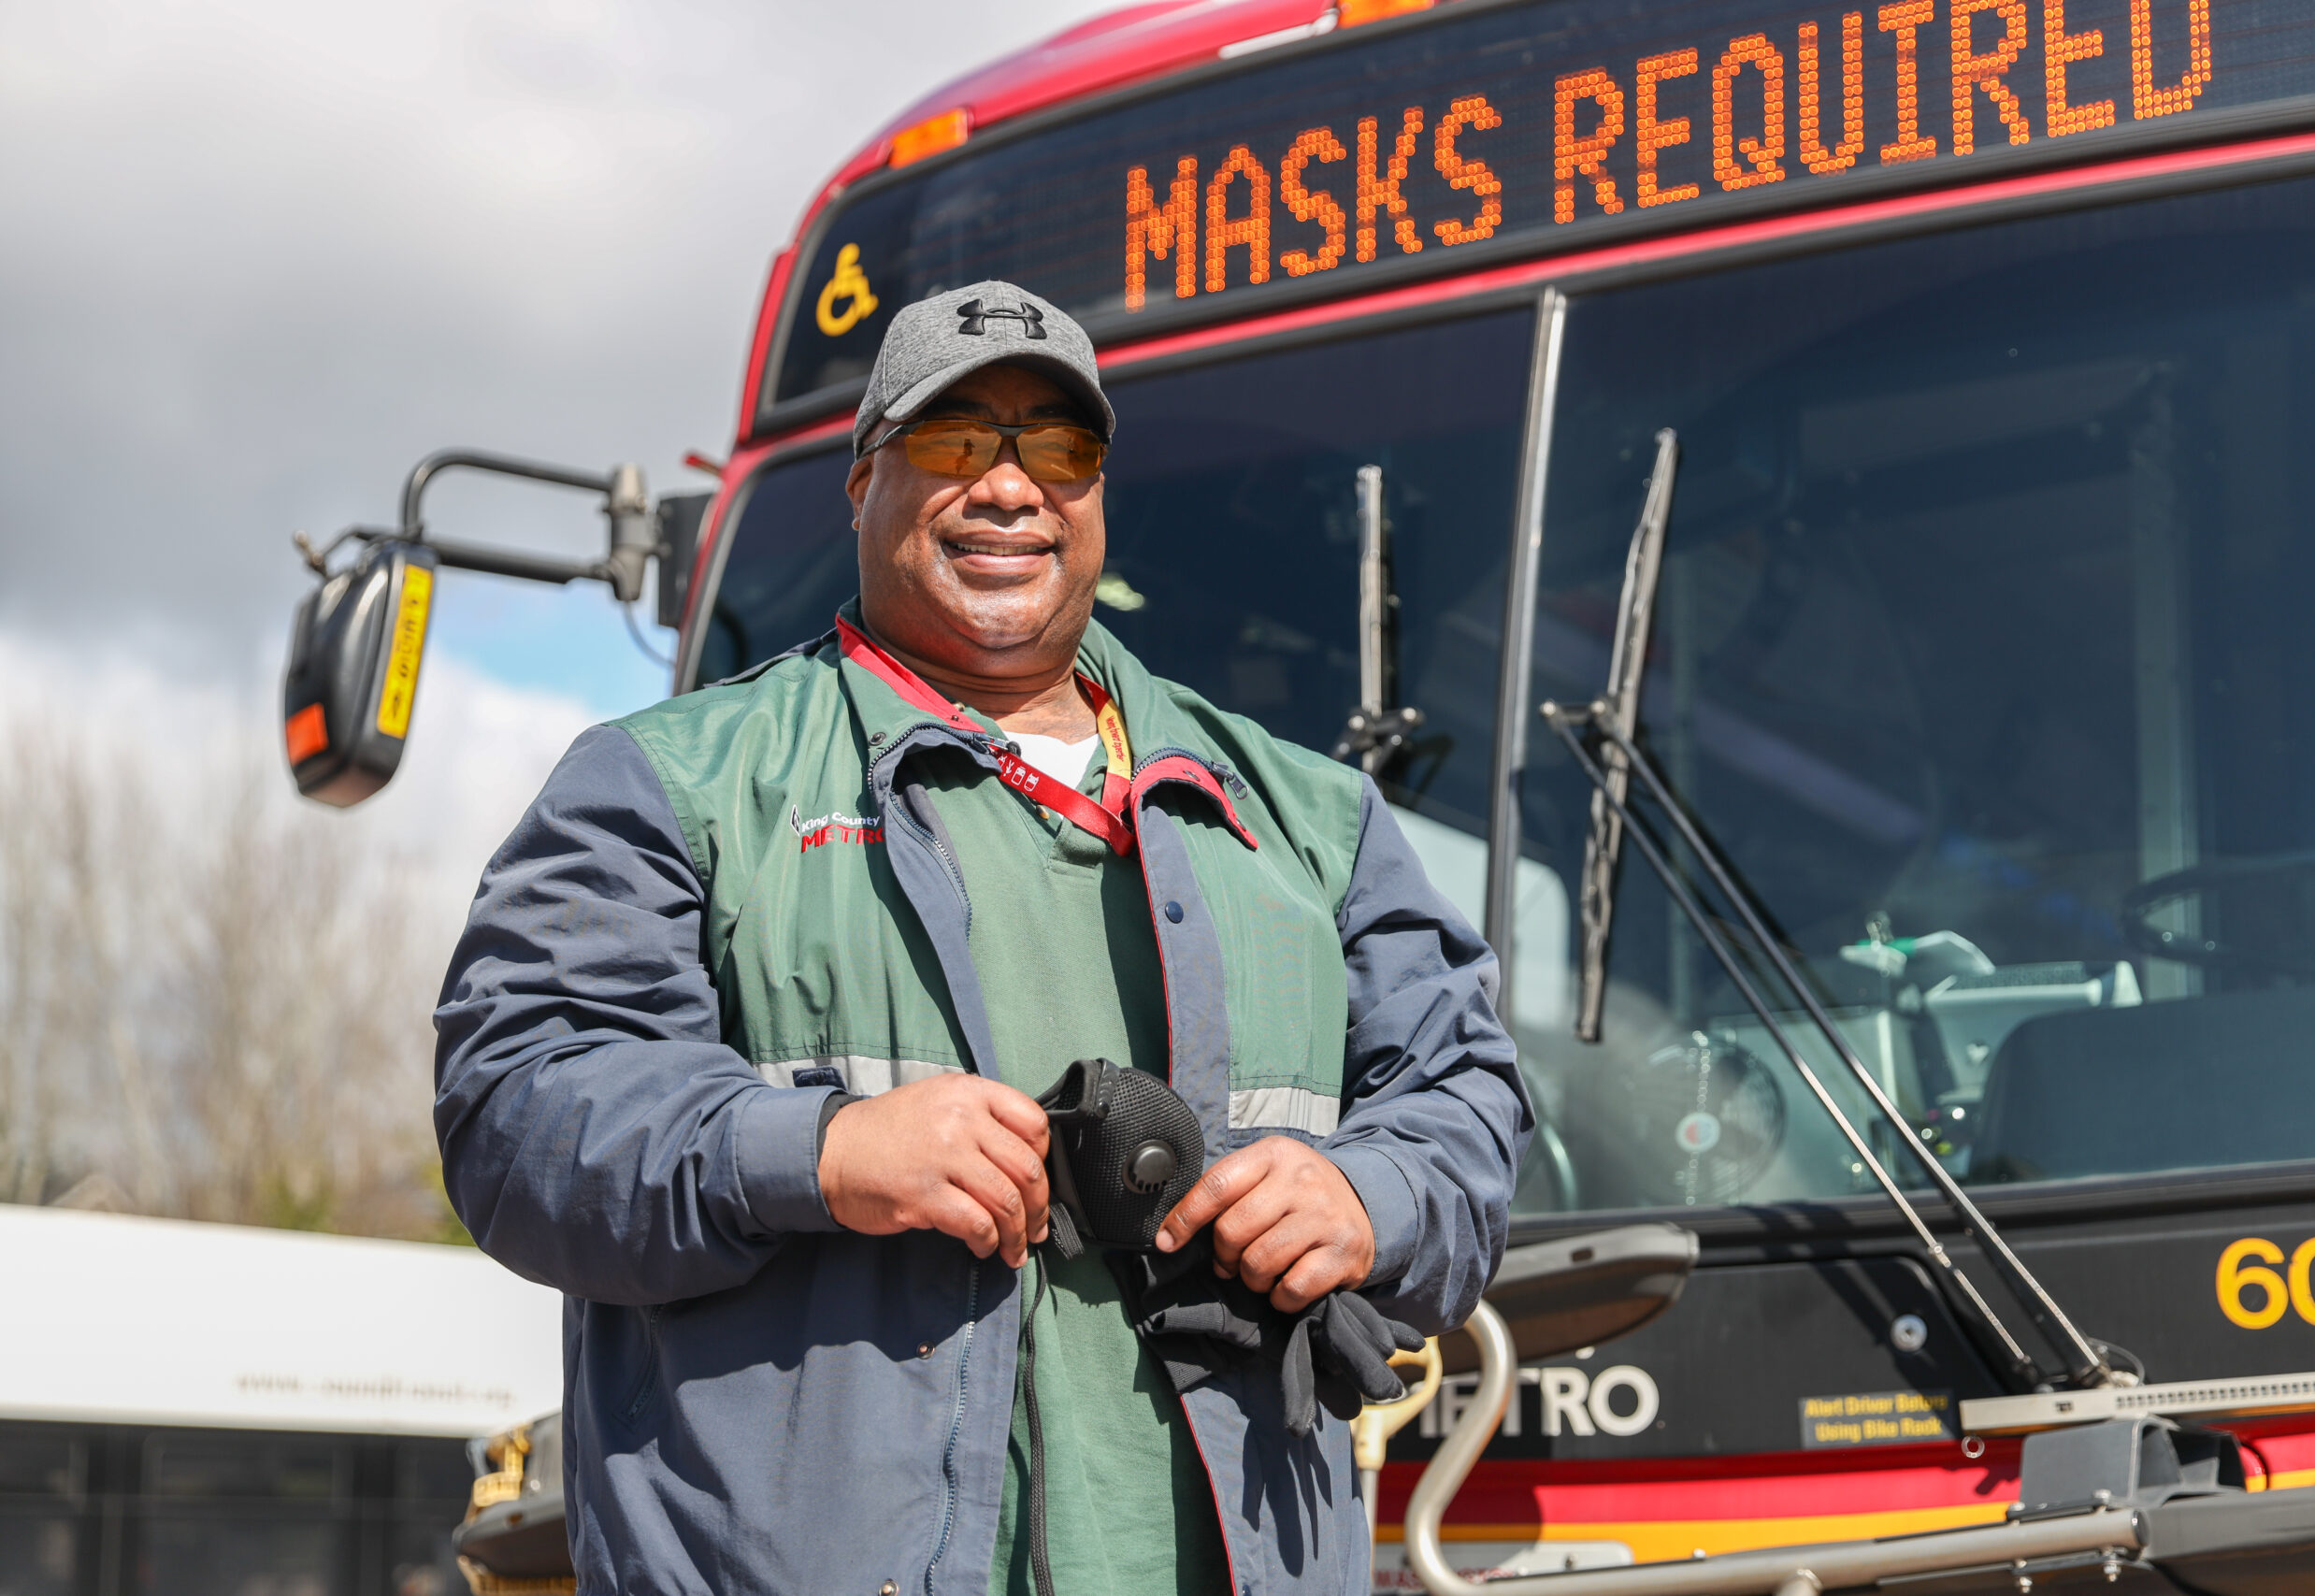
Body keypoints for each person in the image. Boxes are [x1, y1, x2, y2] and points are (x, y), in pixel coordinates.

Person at [434, 280, 1529, 1596]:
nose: (1010, 489)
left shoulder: (1310, 818)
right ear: (861, 482)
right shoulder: (667, 783)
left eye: (1057, 449)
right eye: (954, 443)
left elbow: (1467, 1101)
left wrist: (1374, 1195)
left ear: (1100, 496)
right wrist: (825, 1152)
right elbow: (519, 1117)